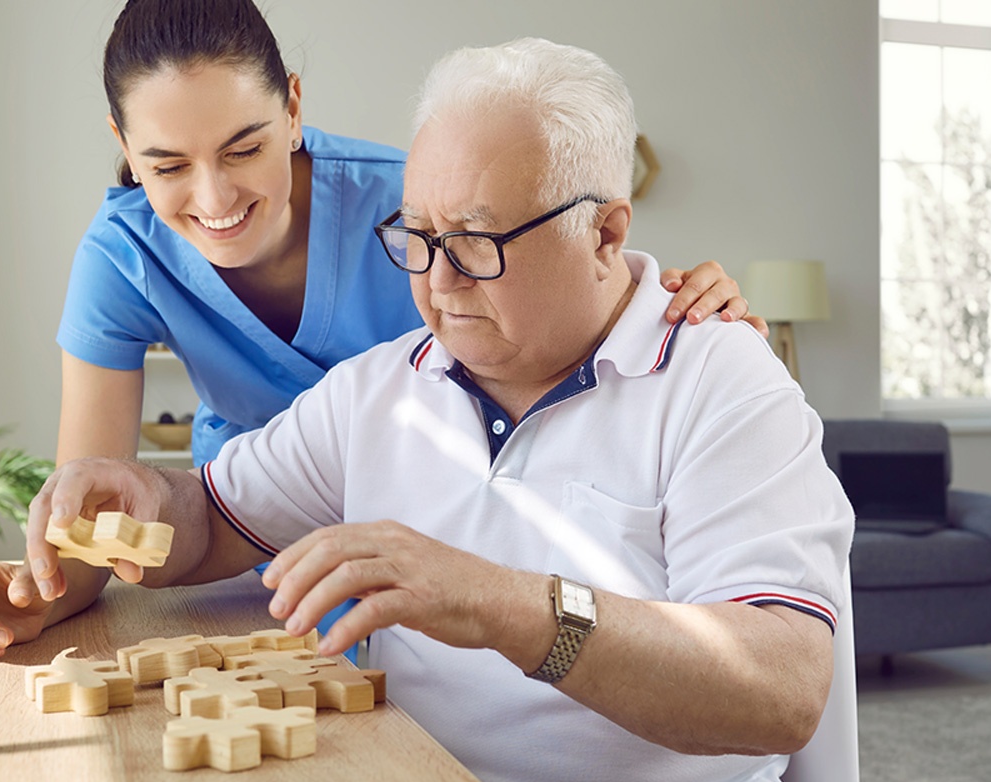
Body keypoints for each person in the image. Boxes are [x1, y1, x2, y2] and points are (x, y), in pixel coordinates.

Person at [0, 35, 853, 782]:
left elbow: (778, 685)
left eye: (477, 243)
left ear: (606, 232)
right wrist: (137, 502)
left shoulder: (722, 384)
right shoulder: (384, 385)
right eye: (415, 237)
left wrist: (499, 601)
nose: (436, 281)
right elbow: (214, 517)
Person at [49, 0, 760, 643]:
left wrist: (664, 305)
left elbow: (576, 291)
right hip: (259, 511)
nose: (214, 196)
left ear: (293, 108)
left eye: (243, 148)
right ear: (123, 143)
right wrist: (45, 583)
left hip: (433, 531)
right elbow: (144, 511)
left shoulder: (419, 210)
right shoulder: (130, 258)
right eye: (168, 165)